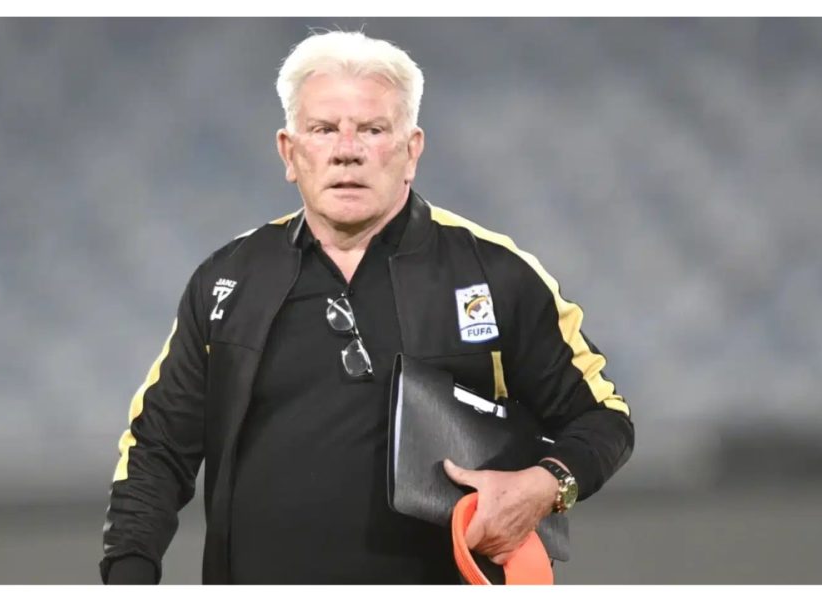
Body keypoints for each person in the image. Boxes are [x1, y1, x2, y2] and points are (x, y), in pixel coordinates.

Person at [100, 30, 634, 585]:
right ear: (289, 151)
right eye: (323, 129)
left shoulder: (496, 274)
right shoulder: (228, 280)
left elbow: (604, 418)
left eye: (373, 130)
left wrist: (546, 486)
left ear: (412, 150)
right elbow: (156, 448)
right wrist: (127, 578)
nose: (347, 149)